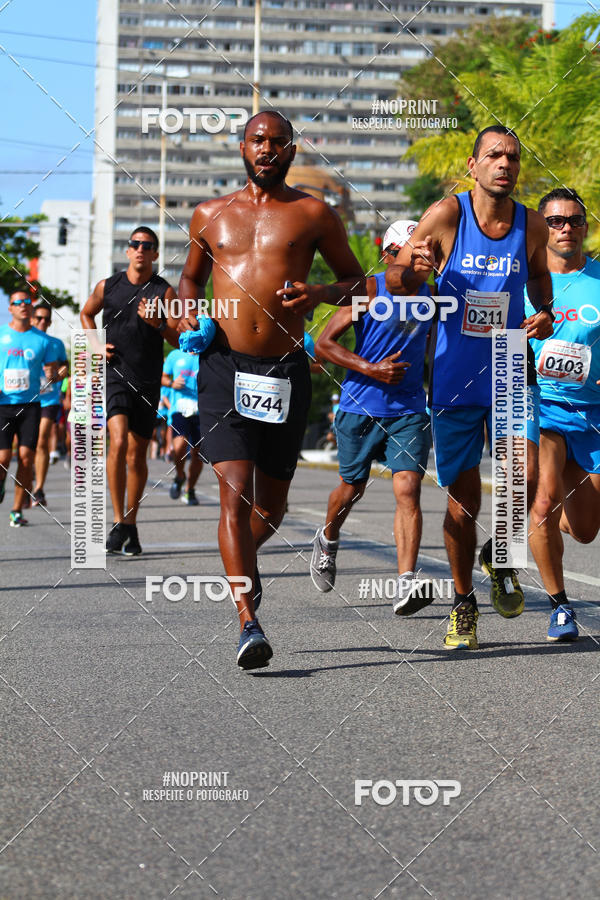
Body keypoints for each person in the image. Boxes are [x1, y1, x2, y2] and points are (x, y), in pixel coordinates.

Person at [178, 109, 365, 669]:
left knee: (273, 509)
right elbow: (190, 275)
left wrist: (317, 292)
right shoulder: (209, 214)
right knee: (232, 490)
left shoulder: (315, 213)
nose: (267, 149)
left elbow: (358, 283)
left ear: (291, 150)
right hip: (223, 366)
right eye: (258, 140)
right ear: (242, 146)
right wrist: (188, 305)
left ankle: (238, 567)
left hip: (285, 371)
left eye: (278, 142)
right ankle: (248, 621)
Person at [386, 125, 554, 650]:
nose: (505, 164)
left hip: (507, 363)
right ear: (473, 163)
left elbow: (540, 286)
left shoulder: (530, 225)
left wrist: (543, 315)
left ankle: (500, 555)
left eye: (513, 157)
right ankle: (463, 603)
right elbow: (396, 281)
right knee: (463, 503)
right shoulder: (448, 214)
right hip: (455, 372)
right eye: (494, 155)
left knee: (519, 480)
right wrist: (413, 270)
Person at [311, 219, 436, 615]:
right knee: (351, 490)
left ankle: (406, 582)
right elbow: (323, 344)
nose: (423, 258)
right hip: (359, 406)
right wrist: (371, 369)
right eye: (412, 251)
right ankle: (328, 538)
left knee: (408, 490)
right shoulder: (367, 291)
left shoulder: (434, 297)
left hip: (410, 409)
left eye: (426, 251)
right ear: (389, 255)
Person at [527, 188, 600, 642]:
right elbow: (491, 342)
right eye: (555, 221)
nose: (565, 228)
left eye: (574, 220)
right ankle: (559, 606)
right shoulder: (523, 284)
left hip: (592, 411)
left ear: (586, 227)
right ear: (541, 228)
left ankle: (568, 517)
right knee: (541, 501)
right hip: (540, 406)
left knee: (588, 530)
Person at [80, 226, 179, 554]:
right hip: (114, 376)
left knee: (137, 455)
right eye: (134, 244)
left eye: (146, 245)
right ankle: (119, 520)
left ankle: (130, 526)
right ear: (127, 251)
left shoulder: (164, 292)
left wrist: (159, 324)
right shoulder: (108, 286)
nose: (139, 249)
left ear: (155, 254)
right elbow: (86, 313)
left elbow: (179, 339)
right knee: (118, 441)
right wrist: (95, 345)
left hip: (148, 380)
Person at [0, 288, 60, 526]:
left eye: (27, 301)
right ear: (11, 308)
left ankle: (17, 509)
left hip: (31, 405)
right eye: (18, 302)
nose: (24, 305)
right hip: (3, 403)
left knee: (26, 457)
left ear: (31, 308)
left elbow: (54, 373)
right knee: (3, 457)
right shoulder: (2, 335)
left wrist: (54, 374)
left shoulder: (42, 340)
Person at [30, 300, 69, 508]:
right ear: (32, 319)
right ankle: (27, 482)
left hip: (49, 398)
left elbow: (65, 369)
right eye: (39, 318)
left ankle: (39, 489)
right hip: (26, 399)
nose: (43, 321)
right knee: (29, 447)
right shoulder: (25, 341)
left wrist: (57, 375)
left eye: (46, 318)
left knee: (43, 439)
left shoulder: (56, 344)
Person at [162, 347, 203, 505]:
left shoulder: (206, 356)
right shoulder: (175, 355)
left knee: (198, 454)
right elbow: (163, 377)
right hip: (179, 409)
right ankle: (180, 475)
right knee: (179, 446)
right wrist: (172, 383)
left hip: (201, 410)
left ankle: (190, 490)